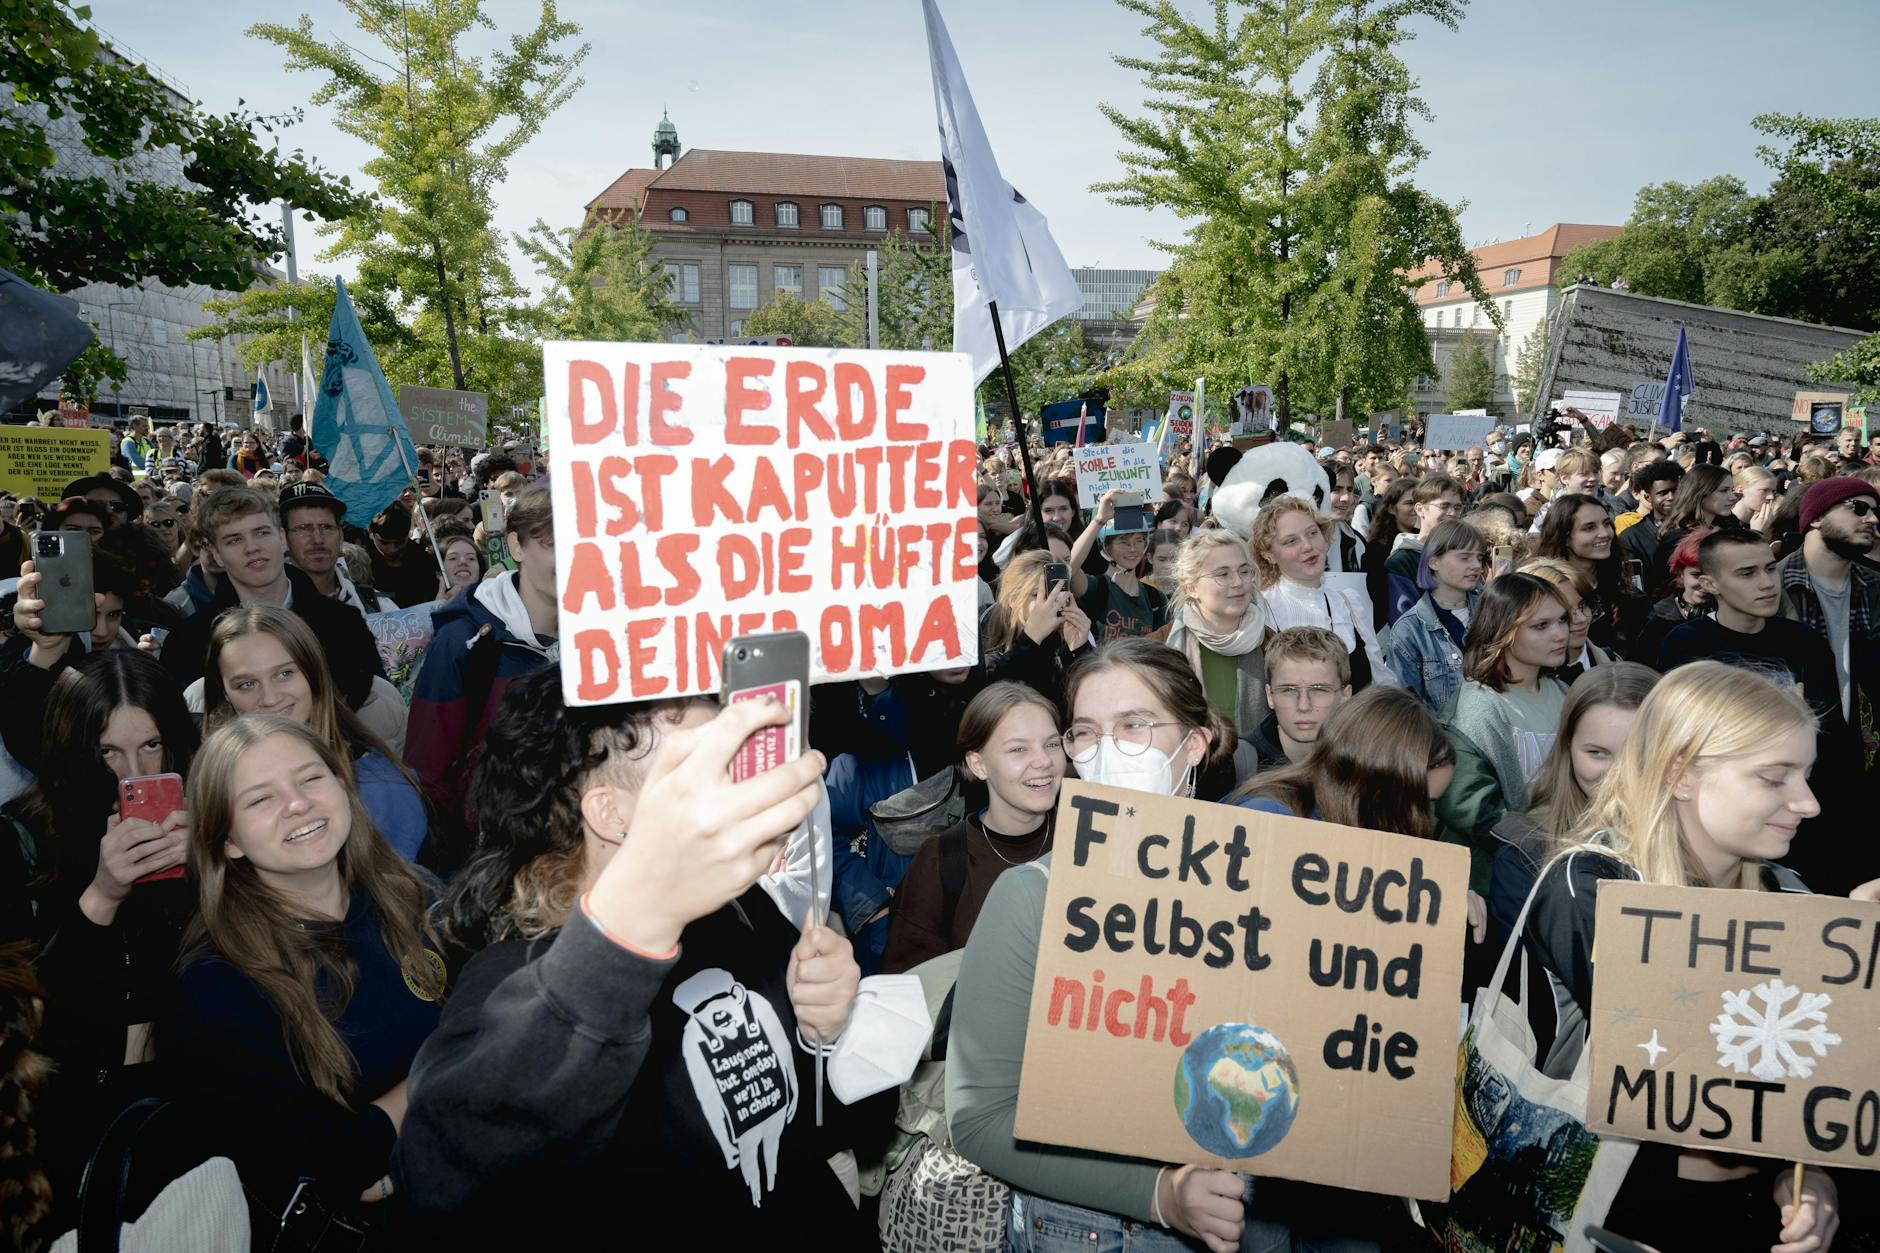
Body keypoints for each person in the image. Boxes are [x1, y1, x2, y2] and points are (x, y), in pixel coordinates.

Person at [394, 670, 872, 1245]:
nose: (745, 779)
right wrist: (635, 924)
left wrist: (824, 1037)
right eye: (701, 767)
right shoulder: (513, 980)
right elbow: (439, 1180)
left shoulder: (738, 913)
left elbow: (824, 1127)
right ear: (612, 813)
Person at [950, 639, 1291, 1252]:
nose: (1107, 752)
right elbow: (978, 1120)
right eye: (1084, 732)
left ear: (1194, 743)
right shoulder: (1031, 897)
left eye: (1134, 725)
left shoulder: (1270, 890)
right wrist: (1157, 1193)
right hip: (1097, 1232)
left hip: (1259, 1215)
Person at [1524, 663, 1840, 1252]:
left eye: (1806, 775)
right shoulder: (1589, 888)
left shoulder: (1790, 897)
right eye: (1774, 778)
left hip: (1748, 1220)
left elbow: (1799, 1082)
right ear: (1681, 774)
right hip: (1613, 1219)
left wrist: (1810, 1180)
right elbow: (1692, 1061)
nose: (1808, 803)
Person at [168, 714, 444, 1220]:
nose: (298, 804)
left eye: (310, 777)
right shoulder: (218, 984)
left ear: (342, 785)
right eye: (260, 799)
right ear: (228, 841)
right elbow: (333, 1162)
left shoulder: (419, 896)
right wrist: (450, 1061)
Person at [0, 649, 196, 1212]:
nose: (132, 774)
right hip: (64, 1138)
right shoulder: (22, 844)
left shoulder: (204, 828)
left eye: (151, 746)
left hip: (183, 1121)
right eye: (107, 750)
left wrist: (213, 875)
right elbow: (26, 1027)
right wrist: (102, 897)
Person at [1665, 529, 1865, 895]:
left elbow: (1838, 739)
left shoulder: (1804, 642)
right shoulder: (1685, 645)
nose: (1766, 583)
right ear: (1710, 583)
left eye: (1770, 569)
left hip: (1811, 828)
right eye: (1746, 574)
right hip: (1722, 827)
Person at [202, 605, 429, 862]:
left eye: (285, 674)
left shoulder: (380, 788)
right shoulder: (216, 787)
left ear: (314, 673)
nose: (269, 698)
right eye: (247, 684)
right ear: (225, 693)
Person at [405, 484, 557, 868]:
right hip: (493, 858)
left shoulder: (608, 641)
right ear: (516, 546)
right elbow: (428, 773)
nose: (573, 558)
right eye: (553, 543)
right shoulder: (465, 644)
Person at [880, 682, 1063, 975]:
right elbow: (910, 984)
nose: (1043, 761)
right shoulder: (943, 860)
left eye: (1052, 744)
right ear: (978, 765)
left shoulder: (1088, 840)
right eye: (1018, 749)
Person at [156, 486, 386, 706]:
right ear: (216, 554)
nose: (252, 547)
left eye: (261, 532)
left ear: (283, 538)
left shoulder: (344, 624)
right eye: (234, 540)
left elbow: (372, 709)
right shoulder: (189, 643)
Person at [1484, 663, 1657, 943]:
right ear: (1567, 749)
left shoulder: (1707, 846)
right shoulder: (1526, 854)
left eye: (1638, 753)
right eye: (1597, 753)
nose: (1617, 774)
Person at [1434, 573, 1572, 894]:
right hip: (1504, 879)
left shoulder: (1565, 693)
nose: (1560, 633)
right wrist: (1541, 845)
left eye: (1562, 620)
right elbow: (1470, 805)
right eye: (1541, 626)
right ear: (1504, 630)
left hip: (1563, 866)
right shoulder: (1476, 705)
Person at [1253, 497, 1398, 691]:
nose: (1307, 546)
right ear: (1268, 554)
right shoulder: (1262, 610)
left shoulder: (1348, 603)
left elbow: (1381, 682)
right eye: (1291, 541)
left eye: (1313, 533)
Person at [1776, 476, 1879, 729]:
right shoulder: (1773, 586)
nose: (1872, 519)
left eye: (1876, 512)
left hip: (1863, 744)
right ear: (1816, 518)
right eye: (1858, 508)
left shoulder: (1875, 586)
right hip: (1796, 736)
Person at [1166, 529, 1269, 737]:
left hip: (1262, 766)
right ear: (1191, 588)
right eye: (1223, 574)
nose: (1238, 582)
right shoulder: (1162, 648)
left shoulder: (1272, 645)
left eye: (1244, 571)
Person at [1390, 518, 1487, 714]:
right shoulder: (1409, 630)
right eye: (1465, 557)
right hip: (1441, 740)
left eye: (1479, 558)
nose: (1476, 565)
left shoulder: (1494, 612)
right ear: (1434, 562)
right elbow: (1405, 709)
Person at [980, 550, 1092, 707]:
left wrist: (1080, 652)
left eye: (1056, 594)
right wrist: (1030, 639)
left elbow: (1092, 702)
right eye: (1037, 595)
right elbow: (992, 704)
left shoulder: (1063, 649)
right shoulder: (991, 658)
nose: (1051, 602)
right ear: (1013, 599)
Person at [280, 481, 396, 614]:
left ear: (340, 535)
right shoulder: (266, 613)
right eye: (304, 528)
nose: (318, 539)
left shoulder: (378, 607)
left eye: (327, 527)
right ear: (283, 538)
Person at [1246, 626, 1351, 772]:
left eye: (1319, 690)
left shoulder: (1372, 763)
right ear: (1270, 696)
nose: (1304, 706)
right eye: (1288, 690)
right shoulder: (1235, 766)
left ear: (1345, 695)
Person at [1071, 489, 1170, 642]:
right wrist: (1099, 520)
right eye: (1123, 542)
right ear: (1105, 547)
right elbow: (1068, 569)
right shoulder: (1095, 588)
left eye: (1138, 541)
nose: (1132, 549)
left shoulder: (1155, 598)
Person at [1383, 475, 1464, 625]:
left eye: (1457, 507)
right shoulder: (1402, 560)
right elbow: (1405, 622)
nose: (1452, 513)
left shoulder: (1466, 555)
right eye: (1444, 506)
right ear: (1420, 509)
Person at [1650, 462, 1739, 581]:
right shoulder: (1677, 538)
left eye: (1732, 490)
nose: (1733, 497)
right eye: (1723, 490)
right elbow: (1664, 585)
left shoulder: (1730, 527)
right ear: (1700, 493)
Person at [1360, 475, 1419, 629]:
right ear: (1392, 508)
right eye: (1409, 503)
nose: (1416, 509)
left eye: (1420, 503)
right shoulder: (1377, 549)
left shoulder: (1430, 541)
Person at [1614, 459, 1683, 569]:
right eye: (1663, 493)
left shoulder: (1695, 527)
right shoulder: (1632, 537)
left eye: (1676, 491)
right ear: (1648, 497)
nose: (1671, 497)